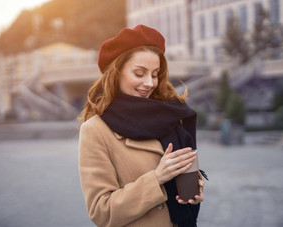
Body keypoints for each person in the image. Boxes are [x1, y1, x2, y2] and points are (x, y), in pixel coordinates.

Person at [78, 24, 208, 227]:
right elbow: (101, 211)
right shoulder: (94, 130)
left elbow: (183, 174)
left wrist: (193, 189)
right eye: (140, 73)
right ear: (116, 72)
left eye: (155, 74)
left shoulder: (171, 114)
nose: (149, 83)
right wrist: (156, 178)